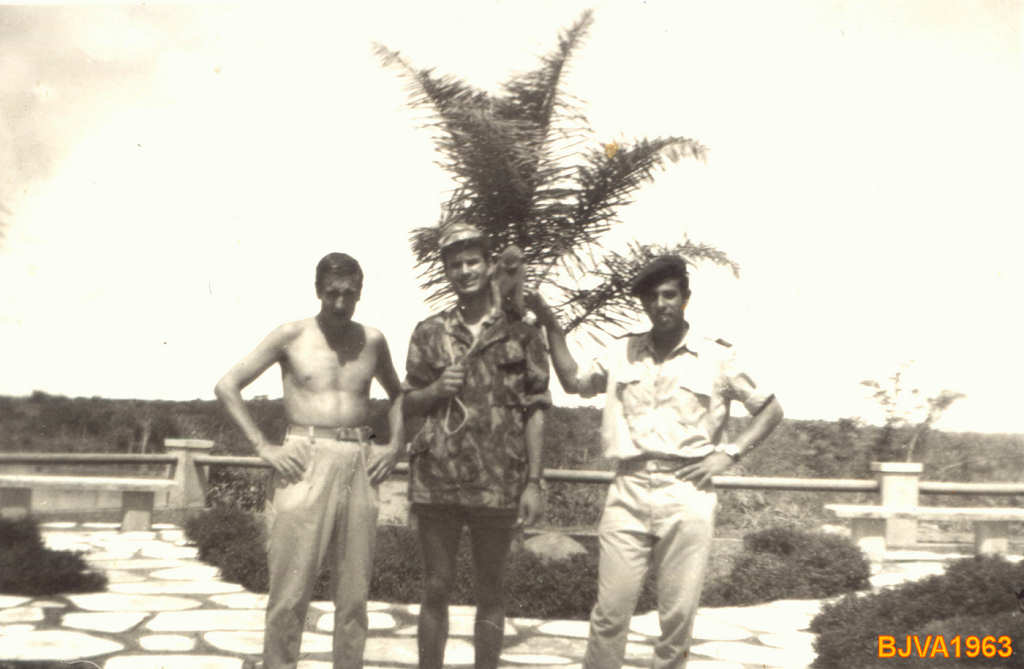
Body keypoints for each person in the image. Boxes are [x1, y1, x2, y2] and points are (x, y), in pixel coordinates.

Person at [527, 255, 784, 669]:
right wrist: (550, 324)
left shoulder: (717, 356)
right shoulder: (622, 351)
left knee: (677, 617)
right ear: (644, 303)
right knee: (610, 612)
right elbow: (575, 382)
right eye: (652, 297)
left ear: (685, 298)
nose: (660, 304)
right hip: (627, 489)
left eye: (669, 295)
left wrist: (729, 454)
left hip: (687, 491)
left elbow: (770, 409)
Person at [214, 252, 404, 669]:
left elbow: (399, 395)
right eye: (332, 293)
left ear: (360, 292)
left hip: (358, 459)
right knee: (290, 592)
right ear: (318, 290)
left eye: (349, 293)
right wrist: (263, 447)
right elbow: (227, 385)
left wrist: (393, 448)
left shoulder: (372, 340)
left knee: (353, 596)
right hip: (305, 458)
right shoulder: (291, 334)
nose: (340, 302)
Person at [402, 222, 550, 669]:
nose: (464, 271)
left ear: (488, 266)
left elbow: (536, 408)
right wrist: (436, 390)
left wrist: (534, 482)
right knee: (435, 587)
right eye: (455, 265)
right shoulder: (430, 332)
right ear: (447, 272)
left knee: (491, 590)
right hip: (438, 479)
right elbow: (408, 402)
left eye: (472, 262)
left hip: (498, 480)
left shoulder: (522, 333)